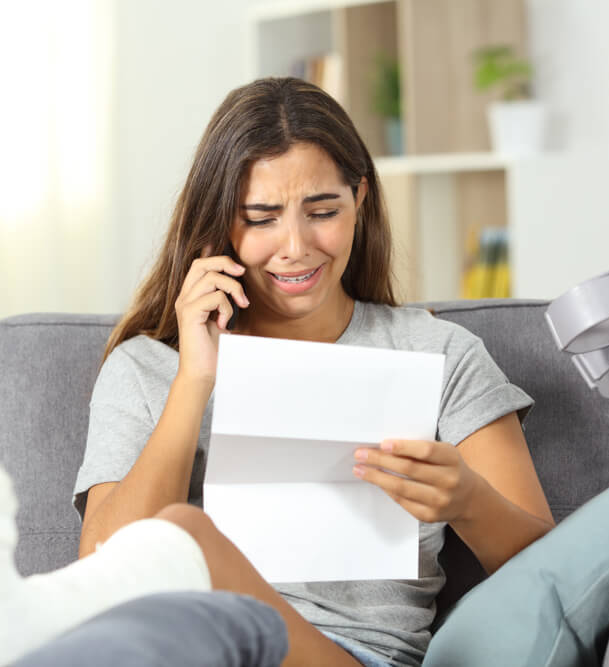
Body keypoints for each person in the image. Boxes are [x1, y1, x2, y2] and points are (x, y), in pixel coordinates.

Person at [72, 76, 555, 667]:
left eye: (322, 211)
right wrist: (194, 381)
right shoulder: (146, 367)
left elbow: (552, 580)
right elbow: (104, 574)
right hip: (179, 648)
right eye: (261, 217)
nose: (295, 247)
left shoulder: (438, 353)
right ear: (220, 223)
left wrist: (469, 500)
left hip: (352, 656)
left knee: (187, 540)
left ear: (361, 200)